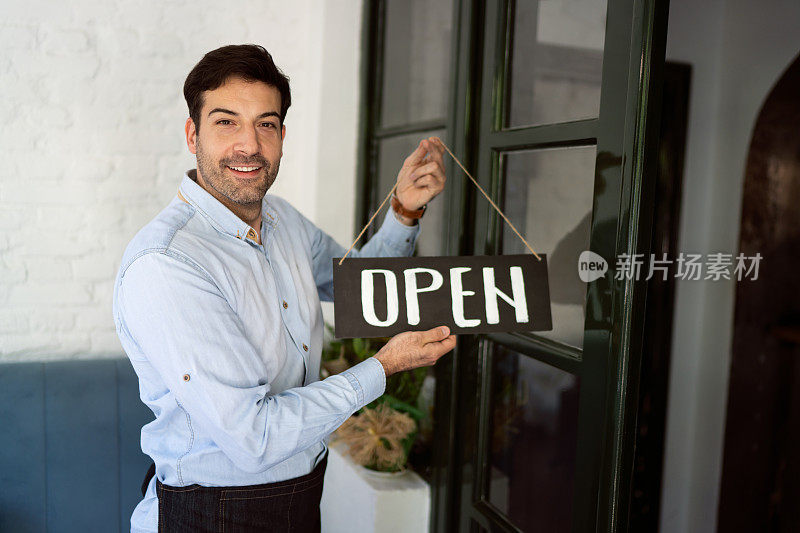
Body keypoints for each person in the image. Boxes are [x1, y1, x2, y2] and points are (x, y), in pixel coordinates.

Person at [112, 44, 455, 532]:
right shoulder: (167, 264)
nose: (249, 145)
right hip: (212, 513)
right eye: (226, 122)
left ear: (281, 135)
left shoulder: (284, 220)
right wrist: (384, 368)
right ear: (193, 134)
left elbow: (357, 287)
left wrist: (404, 210)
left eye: (266, 124)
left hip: (302, 496)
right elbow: (255, 439)